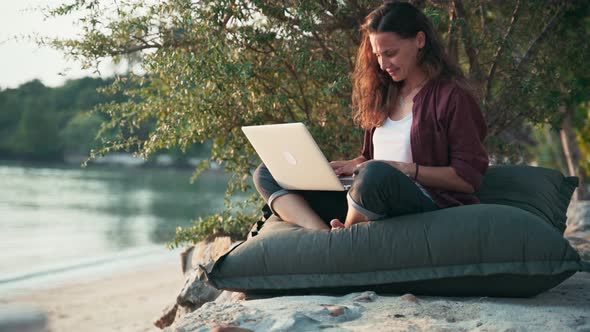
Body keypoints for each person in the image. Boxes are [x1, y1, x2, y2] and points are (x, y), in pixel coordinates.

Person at [253, 1, 489, 231]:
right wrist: (353, 164)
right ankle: (321, 236)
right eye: (377, 55)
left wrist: (404, 169)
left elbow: (467, 179)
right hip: (365, 197)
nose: (383, 64)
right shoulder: (386, 93)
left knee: (375, 175)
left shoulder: (453, 98)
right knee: (269, 171)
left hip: (417, 201)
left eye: (391, 53)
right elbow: (371, 158)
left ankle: (346, 235)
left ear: (419, 40)